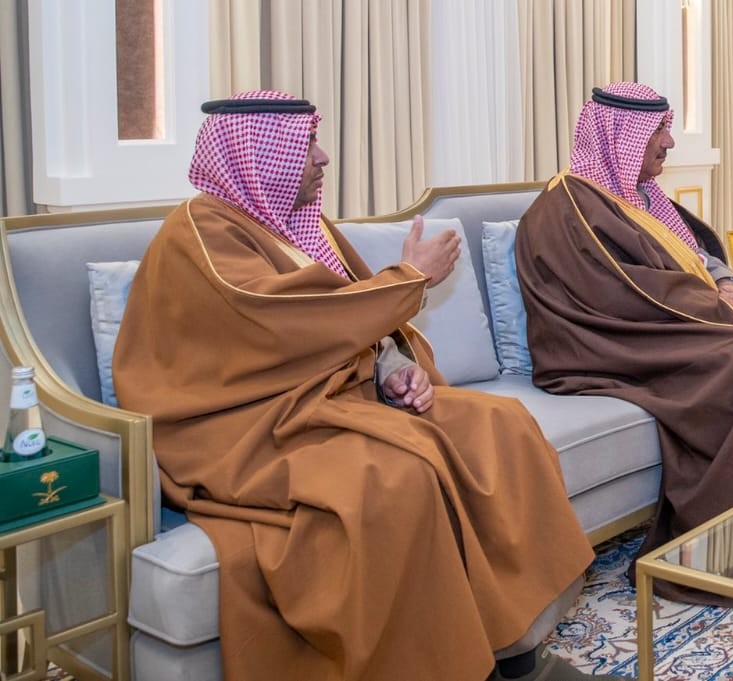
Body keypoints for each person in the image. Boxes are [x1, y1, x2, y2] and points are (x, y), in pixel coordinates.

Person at [113, 91, 605, 681]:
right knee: (396, 480)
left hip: (328, 403)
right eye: (306, 146)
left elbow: (344, 322)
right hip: (243, 430)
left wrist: (394, 368)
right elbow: (282, 323)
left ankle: (516, 645)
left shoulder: (297, 226)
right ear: (255, 156)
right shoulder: (201, 234)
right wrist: (411, 276)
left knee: (500, 425)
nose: (322, 157)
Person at [514, 82, 733, 596]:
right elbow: (616, 291)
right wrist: (716, 306)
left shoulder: (638, 197)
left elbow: (691, 256)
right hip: (605, 341)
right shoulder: (569, 206)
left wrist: (727, 285)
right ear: (619, 136)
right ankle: (726, 545)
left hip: (664, 321)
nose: (669, 142)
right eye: (658, 131)